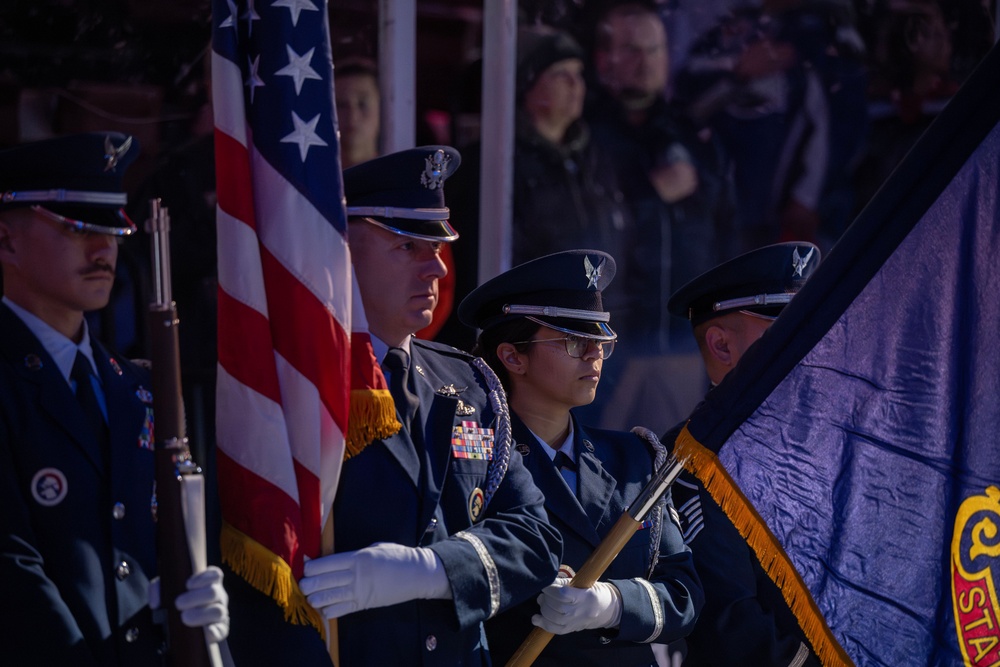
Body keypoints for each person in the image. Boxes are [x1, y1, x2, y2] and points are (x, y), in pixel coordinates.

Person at [224, 146, 562, 666]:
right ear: (341, 251)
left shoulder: (468, 381)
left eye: (437, 246)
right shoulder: (291, 385)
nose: (436, 268)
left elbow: (535, 538)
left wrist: (432, 570)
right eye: (407, 246)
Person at [0, 132, 229, 665]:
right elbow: (12, 566)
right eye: (76, 227)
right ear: (7, 241)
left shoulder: (139, 387)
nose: (103, 248)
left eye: (109, 228)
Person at [458, 249, 704, 666]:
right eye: (572, 341)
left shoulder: (634, 459)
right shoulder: (477, 463)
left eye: (601, 341)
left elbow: (684, 597)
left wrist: (613, 604)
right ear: (512, 356)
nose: (593, 353)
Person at [661, 241, 822, 666]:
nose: (806, 343)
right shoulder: (692, 459)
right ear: (721, 346)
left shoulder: (827, 442)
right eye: (784, 330)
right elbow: (730, 625)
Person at [442, 24, 634, 353]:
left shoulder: (596, 158)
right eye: (561, 74)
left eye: (579, 73)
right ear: (526, 85)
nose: (576, 85)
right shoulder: (493, 165)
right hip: (533, 342)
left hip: (602, 335)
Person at [587, 1, 735, 354]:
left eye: (655, 49)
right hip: (608, 343)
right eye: (633, 50)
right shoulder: (586, 138)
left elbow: (727, 231)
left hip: (686, 339)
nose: (647, 61)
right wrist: (648, 194)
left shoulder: (693, 135)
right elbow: (579, 229)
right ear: (604, 60)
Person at [334, 56, 381, 169]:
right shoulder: (314, 182)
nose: (352, 116)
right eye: (341, 105)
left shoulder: (397, 177)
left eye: (362, 104)